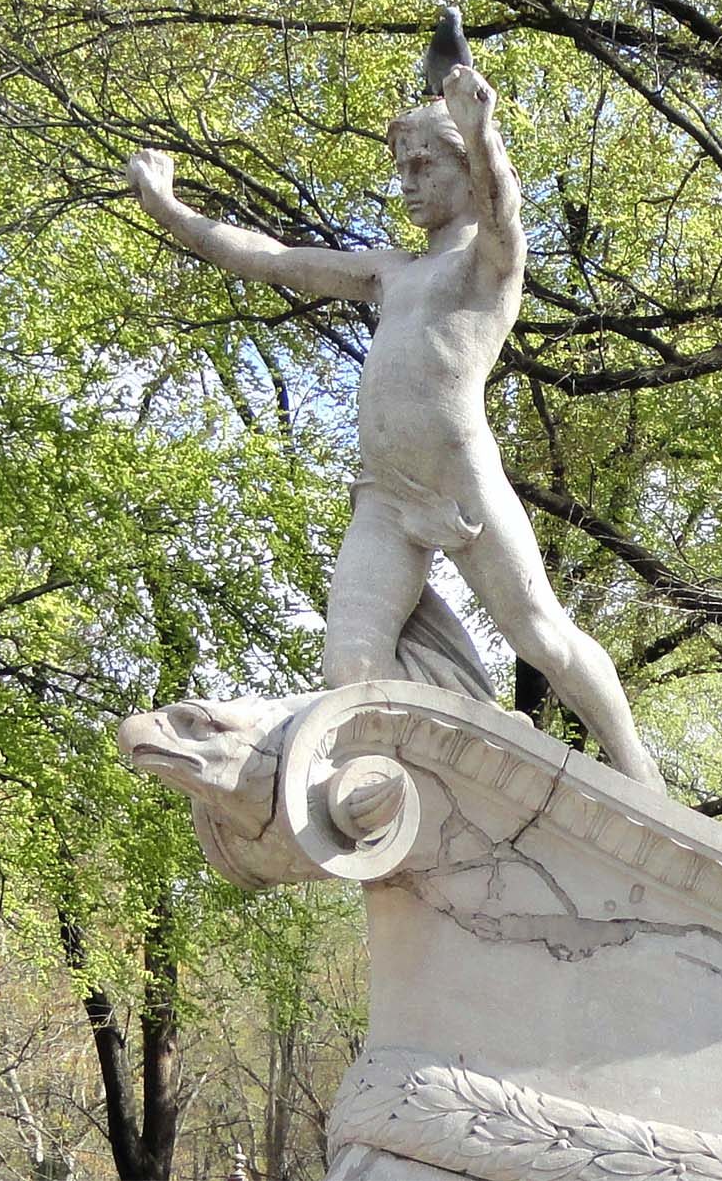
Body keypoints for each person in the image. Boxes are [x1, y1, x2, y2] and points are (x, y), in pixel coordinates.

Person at [121, 65, 662, 788]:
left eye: (423, 164)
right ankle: (424, 787)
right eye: (400, 166)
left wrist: (482, 133)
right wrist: (169, 209)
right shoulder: (388, 270)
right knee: (349, 668)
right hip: (384, 493)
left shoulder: (487, 262)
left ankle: (641, 778)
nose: (406, 181)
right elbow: (272, 259)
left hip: (457, 478)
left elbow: (505, 213)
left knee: (540, 634)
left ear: (464, 169)